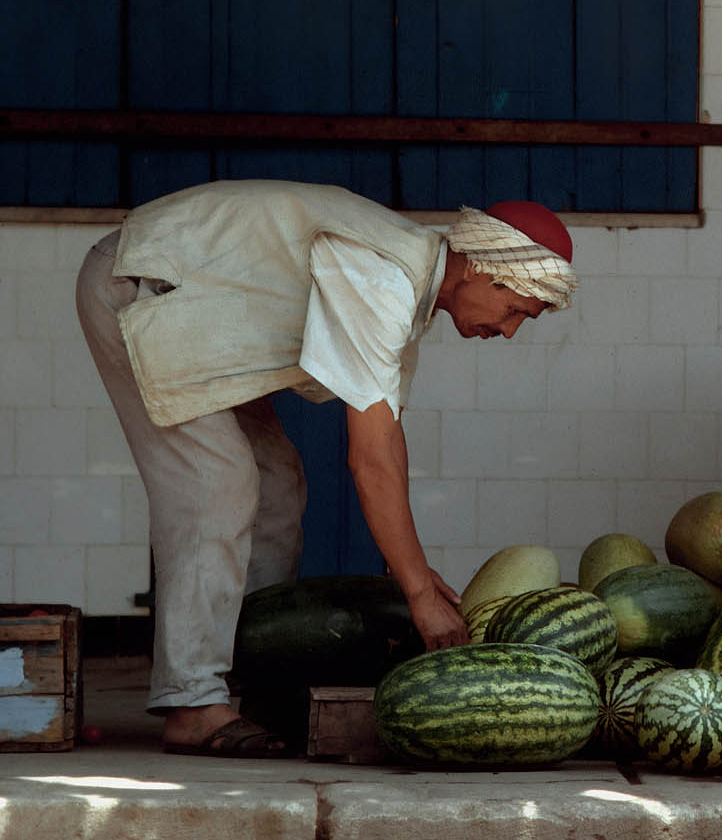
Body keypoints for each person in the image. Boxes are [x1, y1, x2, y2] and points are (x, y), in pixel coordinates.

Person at [75, 180, 576, 757]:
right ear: (479, 271)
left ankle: (250, 674)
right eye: (514, 310)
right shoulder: (384, 276)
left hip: (200, 320)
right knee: (218, 481)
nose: (508, 331)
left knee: (278, 485)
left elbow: (388, 434)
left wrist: (405, 564)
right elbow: (369, 458)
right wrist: (417, 593)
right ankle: (192, 701)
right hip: (138, 283)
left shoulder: (409, 288)